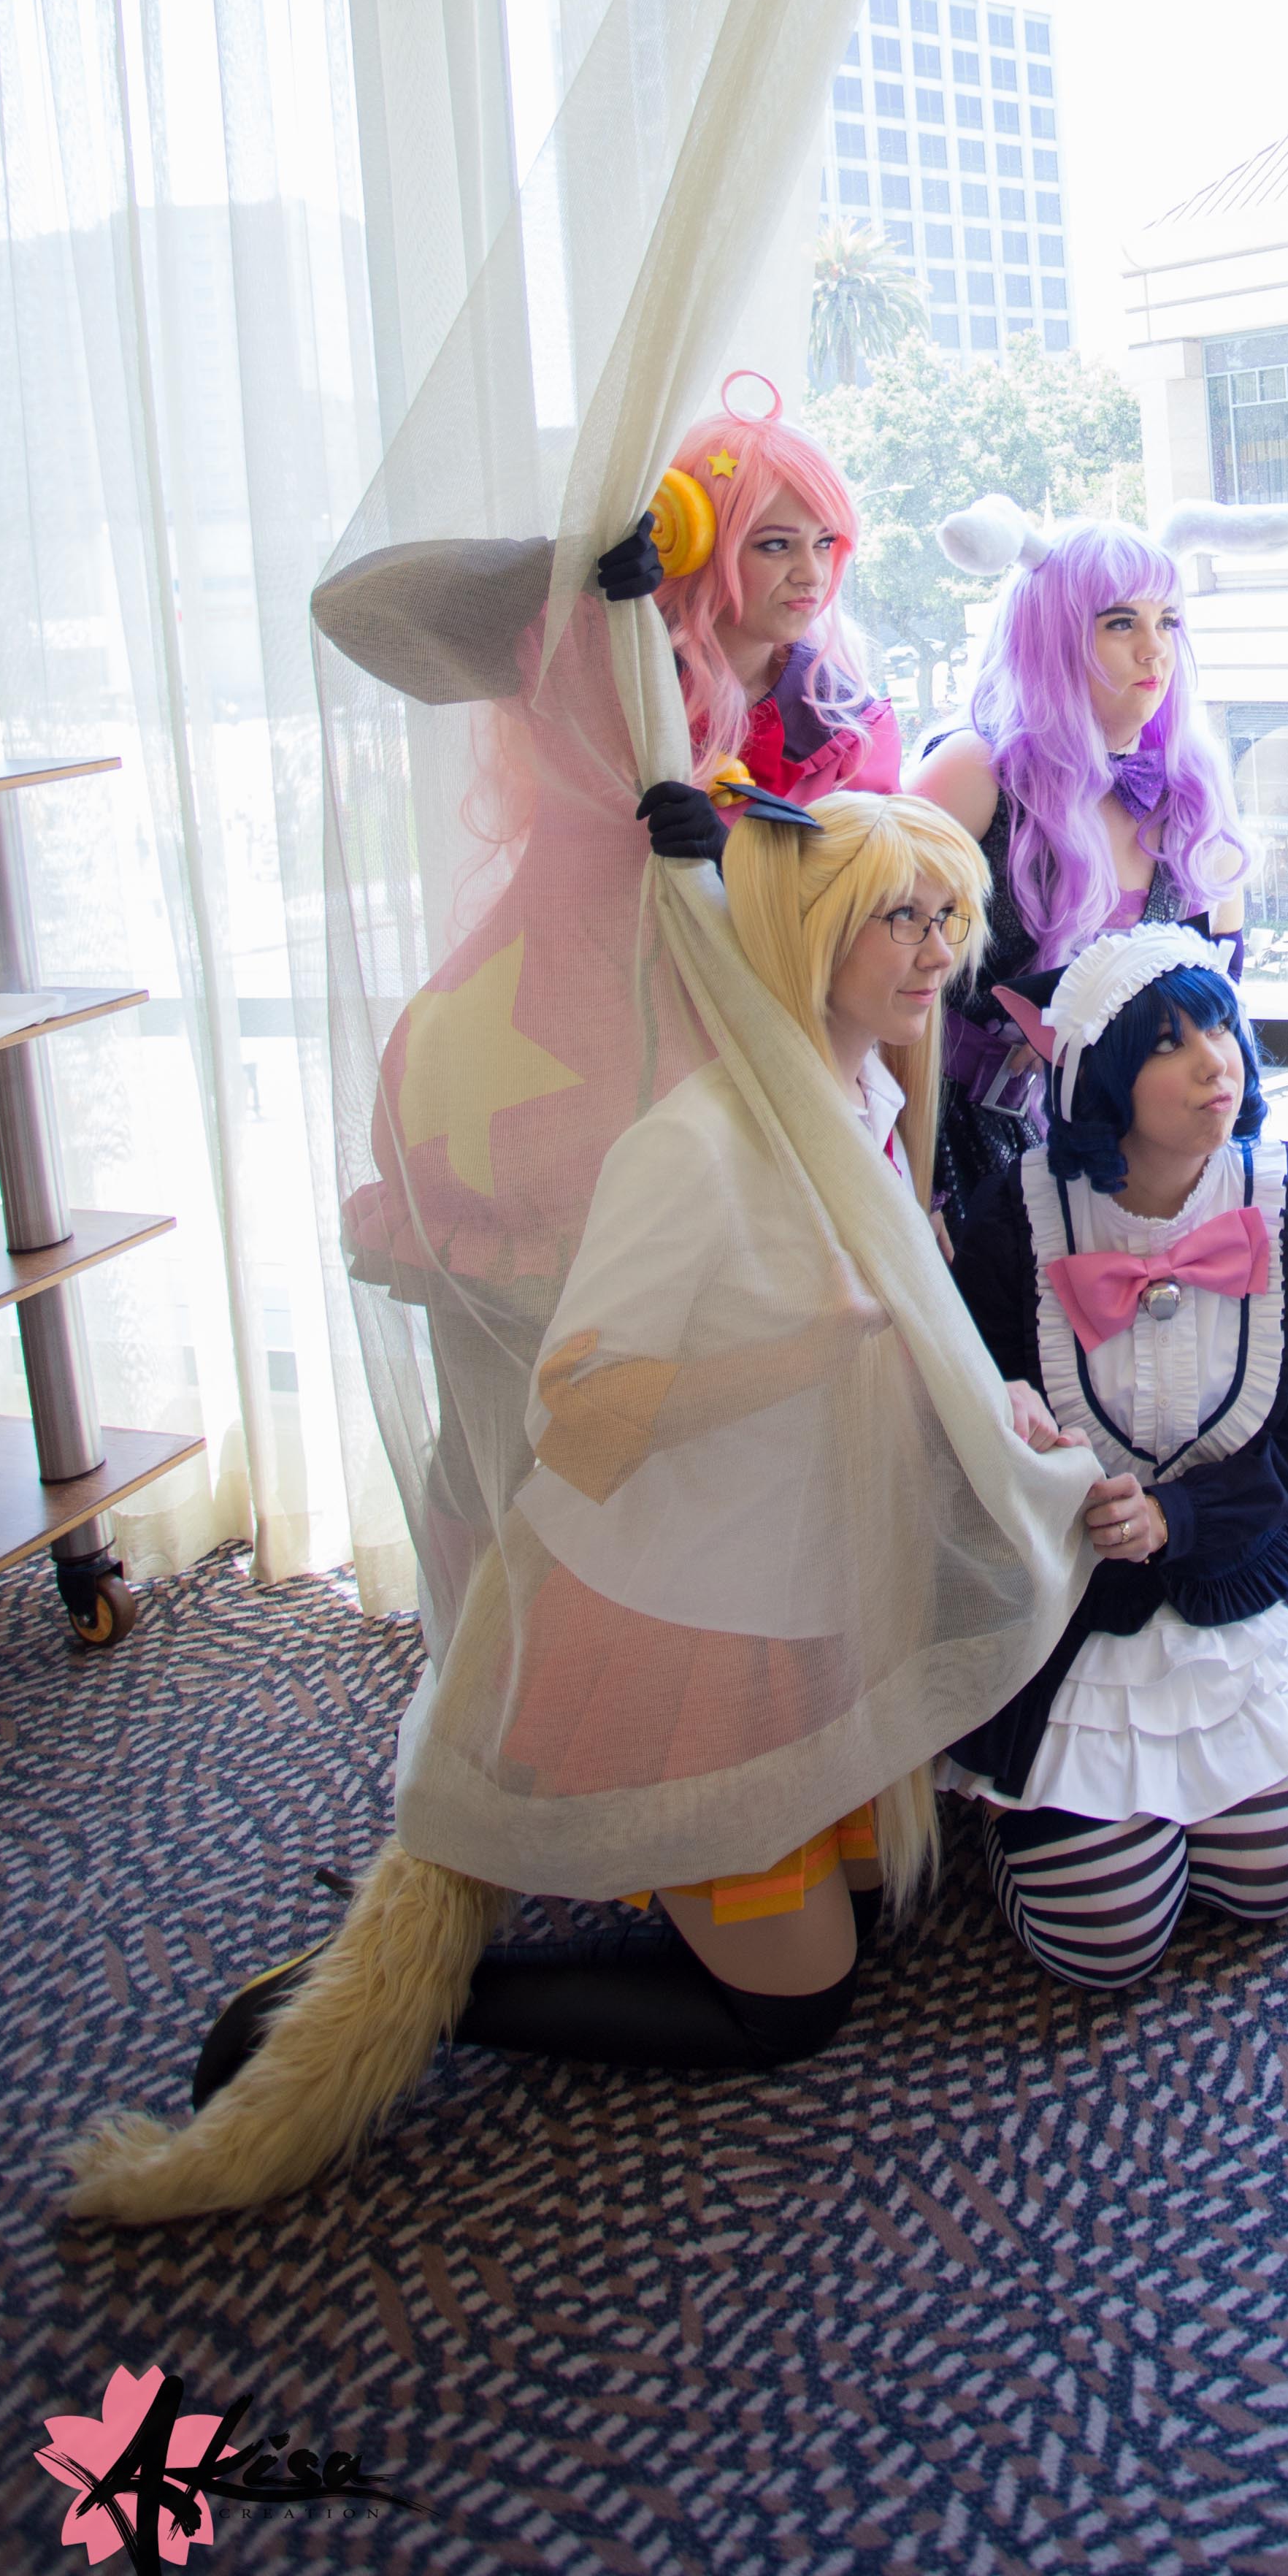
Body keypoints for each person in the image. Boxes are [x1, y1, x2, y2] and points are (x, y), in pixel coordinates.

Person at [76, 790, 1091, 2217]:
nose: (937, 953)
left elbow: (895, 1331)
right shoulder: (700, 1141)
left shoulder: (869, 1100)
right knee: (792, 2006)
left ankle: (617, 1873)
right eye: (897, 919)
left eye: (947, 918)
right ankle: (428, 1998)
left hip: (798, 1594)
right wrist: (799, 1354)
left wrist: (996, 1401)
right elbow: (579, 1418)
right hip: (676, 1620)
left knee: (862, 1918)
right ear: (805, 932)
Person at [313, 380, 894, 1653]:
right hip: (537, 1048)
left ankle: (634, 1679)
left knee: (689, 1414)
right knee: (501, 1411)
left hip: (719, 1066)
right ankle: (478, 1667)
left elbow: (859, 896)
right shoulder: (603, 650)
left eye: (824, 541)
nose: (808, 572)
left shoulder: (846, 717)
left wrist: (747, 851)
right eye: (770, 542)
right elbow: (359, 609)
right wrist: (574, 575)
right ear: (696, 541)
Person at [935, 923, 1288, 1990]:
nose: (1214, 1063)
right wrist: (1042, 1461)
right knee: (1104, 1937)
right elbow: (968, 1437)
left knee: (1279, 1874)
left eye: (1221, 1029)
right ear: (1101, 1077)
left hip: (1231, 1576)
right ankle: (1023, 1820)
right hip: (1075, 1604)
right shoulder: (1016, 1217)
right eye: (1167, 1043)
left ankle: (1179, 1815)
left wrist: (1175, 1519)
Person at [912, 497, 1288, 1199]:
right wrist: (913, 1172)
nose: (1154, 649)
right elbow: (861, 961)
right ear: (1051, 635)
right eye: (1120, 623)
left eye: (1168, 621)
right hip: (956, 1143)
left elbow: (1221, 1003)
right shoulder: (975, 772)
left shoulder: (1192, 789)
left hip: (1128, 1156)